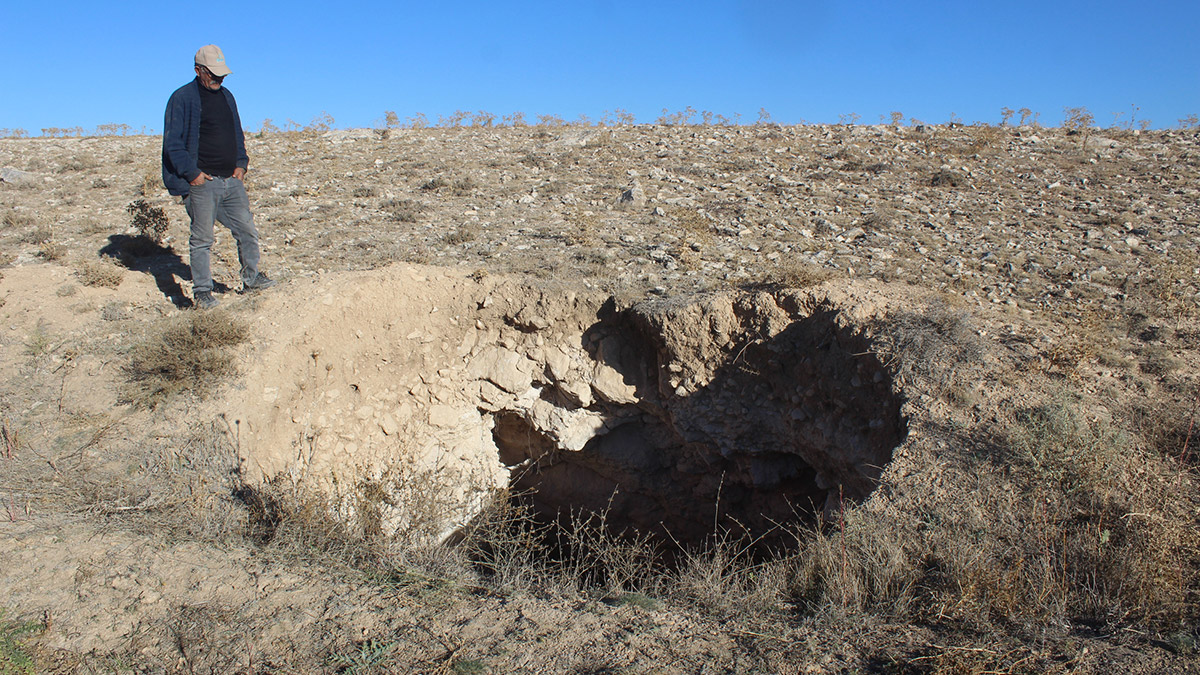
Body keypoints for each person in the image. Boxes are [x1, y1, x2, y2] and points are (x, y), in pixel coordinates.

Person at [162, 44, 273, 309]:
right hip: (203, 182)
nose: (219, 80)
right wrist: (193, 174)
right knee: (202, 239)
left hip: (231, 181)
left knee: (246, 229)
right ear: (198, 70)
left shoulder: (227, 96)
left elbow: (237, 133)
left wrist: (241, 164)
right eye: (213, 74)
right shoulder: (183, 98)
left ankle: (252, 278)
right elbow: (173, 144)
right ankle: (202, 292)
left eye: (222, 75)